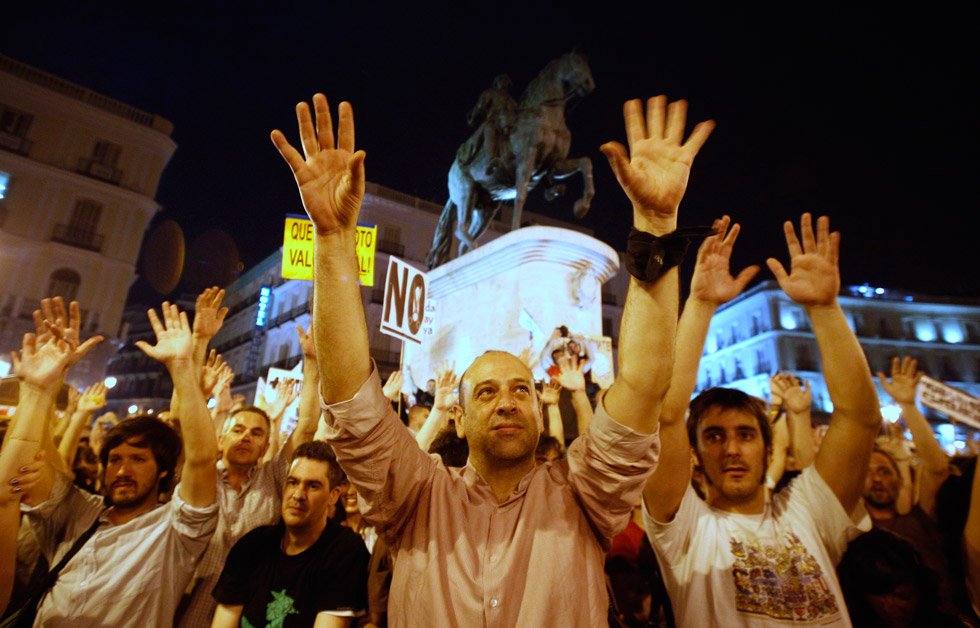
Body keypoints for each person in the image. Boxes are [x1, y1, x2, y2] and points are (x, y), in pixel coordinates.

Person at [270, 92, 714, 626]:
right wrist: (334, 239)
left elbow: (643, 384)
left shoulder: (586, 493)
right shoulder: (414, 495)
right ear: (456, 413)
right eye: (486, 391)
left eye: (521, 389)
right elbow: (348, 399)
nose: (507, 401)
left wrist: (656, 223)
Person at [642, 213, 881, 627]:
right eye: (713, 436)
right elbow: (665, 416)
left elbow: (860, 418)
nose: (732, 449)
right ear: (693, 455)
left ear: (768, 447)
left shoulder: (809, 513)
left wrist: (825, 310)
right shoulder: (685, 531)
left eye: (746, 435)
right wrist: (699, 306)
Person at [11, 300, 219, 626]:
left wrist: (181, 366)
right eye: (115, 460)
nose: (123, 470)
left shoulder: (176, 530)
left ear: (163, 469)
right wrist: (42, 388)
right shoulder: (77, 510)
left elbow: (203, 459)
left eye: (138, 459)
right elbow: (22, 467)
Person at [179, 325, 321, 628]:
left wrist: (311, 361)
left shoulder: (272, 478)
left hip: (248, 602)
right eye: (238, 430)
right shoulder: (197, 477)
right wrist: (197, 350)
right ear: (220, 439)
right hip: (184, 597)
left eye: (257, 433)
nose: (246, 437)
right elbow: (183, 421)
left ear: (267, 446)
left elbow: (307, 425)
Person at [211, 441, 369, 628]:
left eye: (313, 486)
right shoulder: (252, 545)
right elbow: (223, 621)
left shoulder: (344, 549)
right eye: (293, 482)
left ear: (333, 496)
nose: (298, 495)